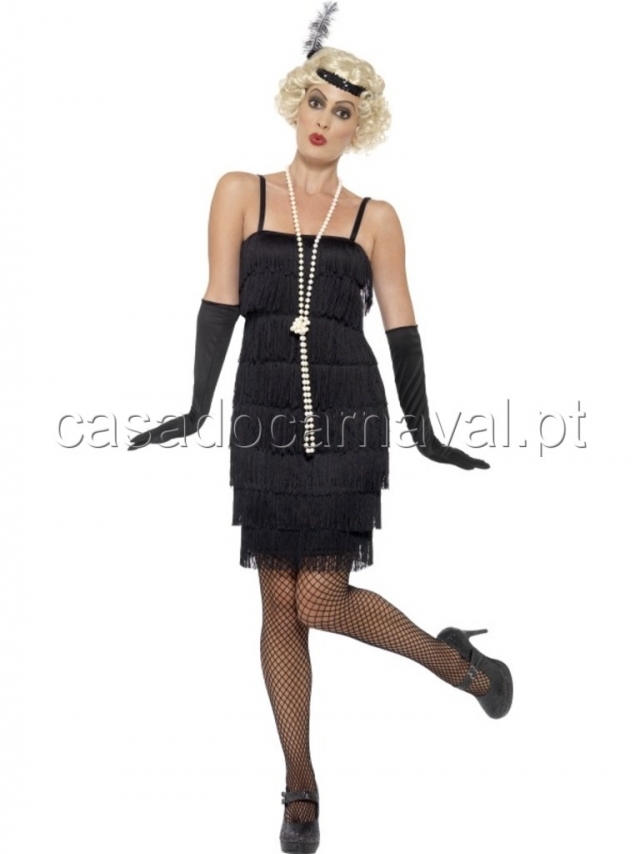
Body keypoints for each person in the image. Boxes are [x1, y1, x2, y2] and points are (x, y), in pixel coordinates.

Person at [128, 14, 513, 854]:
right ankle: (300, 786)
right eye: (317, 101)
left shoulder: (376, 217)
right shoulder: (240, 191)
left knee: (319, 598)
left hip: (349, 414)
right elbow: (218, 302)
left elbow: (403, 328)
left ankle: (455, 665)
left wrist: (426, 430)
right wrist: (195, 408)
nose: (325, 121)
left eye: (344, 112)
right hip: (262, 409)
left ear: (359, 127)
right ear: (295, 100)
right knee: (278, 602)